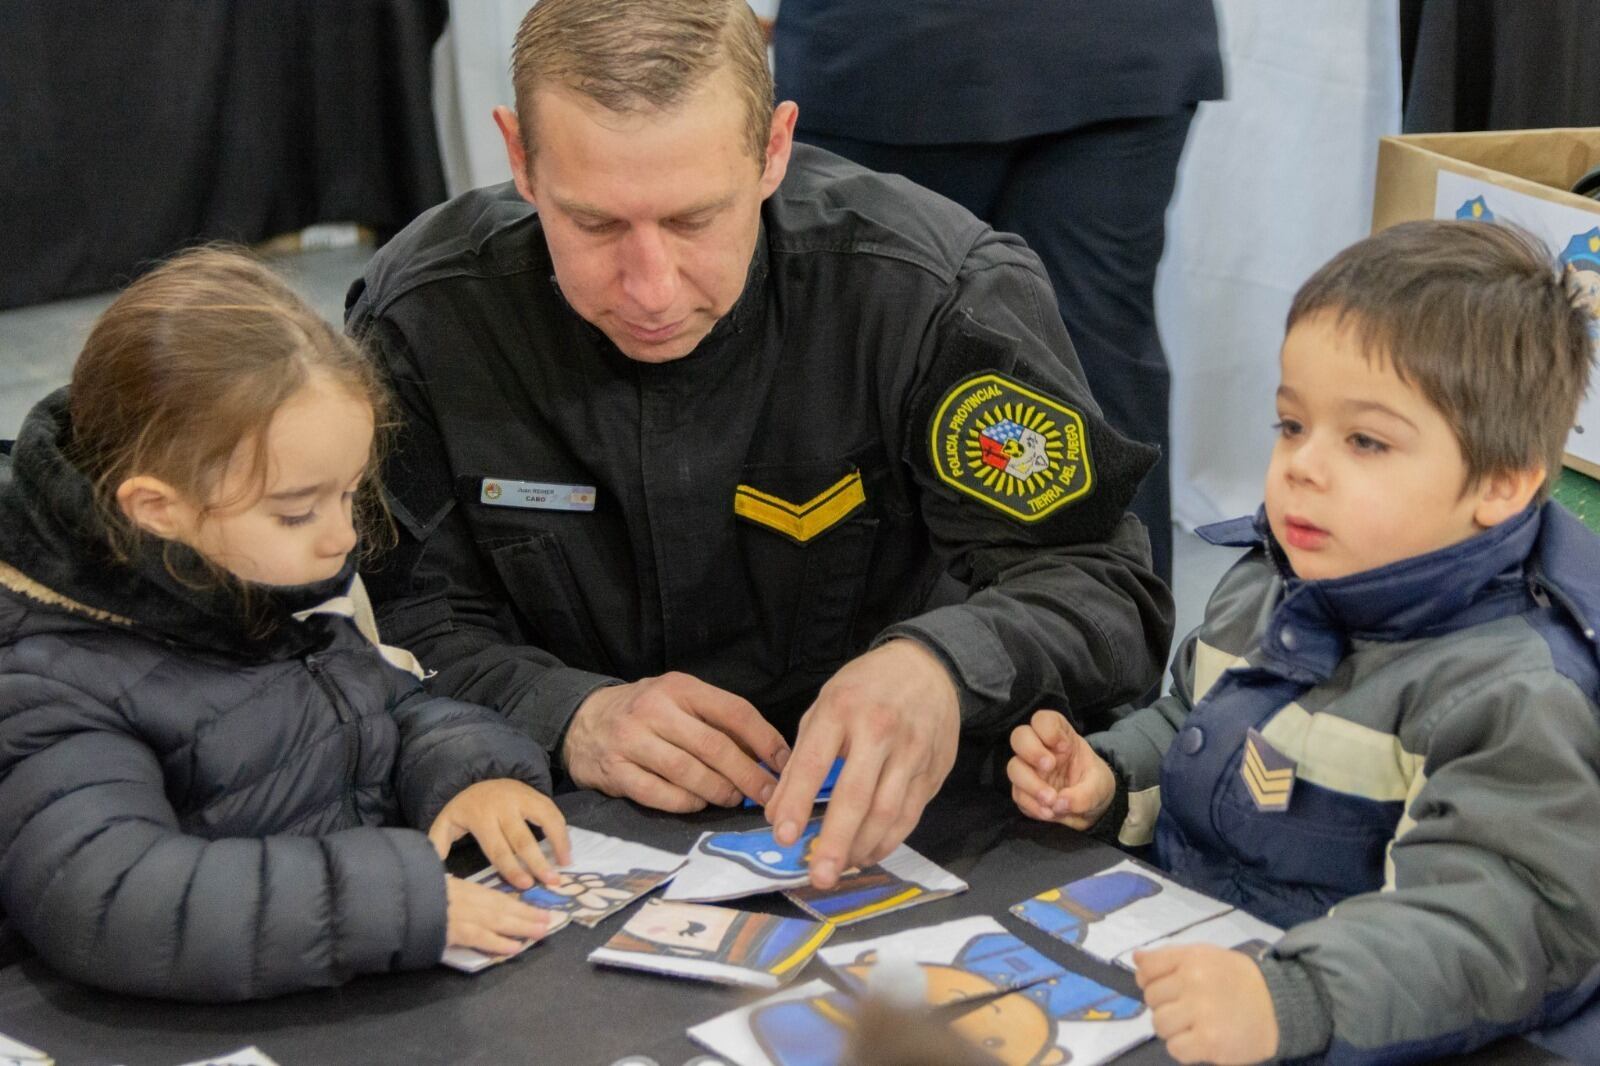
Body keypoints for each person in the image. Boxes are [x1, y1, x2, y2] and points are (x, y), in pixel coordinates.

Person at [346, 0, 1172, 890]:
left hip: (898, 830)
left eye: (696, 220)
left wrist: (938, 669)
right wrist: (567, 712)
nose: (653, 288)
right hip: (551, 824)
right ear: (519, 158)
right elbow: (386, 621)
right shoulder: (421, 318)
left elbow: (1105, 587)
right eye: (595, 226)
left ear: (774, 148)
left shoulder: (930, 297)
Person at [1008, 220, 1600, 1063]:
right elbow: (1196, 719)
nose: (1303, 467)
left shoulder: (1514, 693)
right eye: (1292, 426)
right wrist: (1110, 778)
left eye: (1365, 441)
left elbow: (1489, 928)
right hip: (1209, 980)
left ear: (1502, 483)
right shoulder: (1271, 579)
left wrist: (1295, 997)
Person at [0, 248, 574, 1001]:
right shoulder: (48, 680)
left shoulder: (257, 586)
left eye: (348, 496)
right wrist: (391, 903)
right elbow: (113, 898)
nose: (342, 538)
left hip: (339, 982)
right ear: (157, 510)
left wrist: (468, 773)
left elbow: (388, 707)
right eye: (299, 510)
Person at [770, 0, 1225, 586]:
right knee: (1093, 356)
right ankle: (1107, 655)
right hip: (1111, 44)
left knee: (861, 350)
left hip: (894, 48)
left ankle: (878, 661)